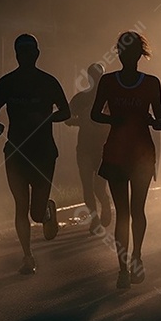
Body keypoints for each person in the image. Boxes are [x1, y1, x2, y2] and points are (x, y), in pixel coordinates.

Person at [0, 34, 70, 275]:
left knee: (35, 212)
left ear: (37, 54)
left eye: (30, 52)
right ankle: (27, 256)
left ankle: (46, 210)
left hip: (44, 151)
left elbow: (66, 111)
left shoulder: (49, 82)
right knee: (20, 205)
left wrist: (49, 118)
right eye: (21, 52)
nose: (26, 57)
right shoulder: (7, 83)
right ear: (17, 55)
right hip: (15, 151)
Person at [90, 31, 161, 289]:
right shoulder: (108, 82)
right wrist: (114, 120)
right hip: (116, 153)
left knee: (137, 210)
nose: (126, 56)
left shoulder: (152, 83)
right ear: (118, 54)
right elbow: (94, 114)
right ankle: (123, 268)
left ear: (140, 55)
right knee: (123, 213)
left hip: (142, 153)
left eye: (131, 51)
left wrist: (153, 121)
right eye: (122, 51)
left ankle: (137, 257)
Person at [67, 63, 112, 234]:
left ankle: (105, 204)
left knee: (99, 186)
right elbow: (67, 117)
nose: (96, 78)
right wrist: (81, 120)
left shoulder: (109, 99)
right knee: (87, 186)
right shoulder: (81, 98)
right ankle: (94, 218)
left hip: (103, 147)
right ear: (89, 77)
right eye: (93, 75)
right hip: (85, 147)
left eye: (98, 75)